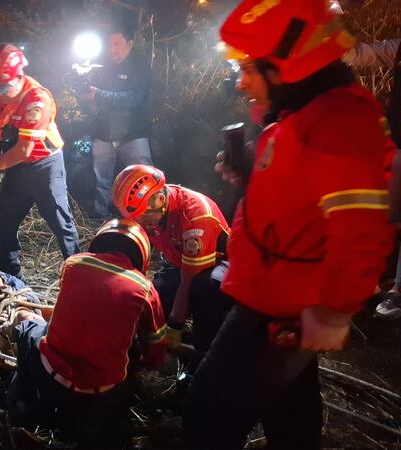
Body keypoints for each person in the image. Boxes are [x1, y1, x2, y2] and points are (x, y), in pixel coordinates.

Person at [185, 1, 396, 448]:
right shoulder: (304, 112)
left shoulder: (338, 122)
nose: (240, 82)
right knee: (290, 413)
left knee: (208, 409)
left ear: (286, 67)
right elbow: (298, 197)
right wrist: (247, 178)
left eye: (249, 69)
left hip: (279, 305)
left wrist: (333, 310)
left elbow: (361, 229)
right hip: (273, 294)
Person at [7, 218, 167, 448]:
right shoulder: (145, 289)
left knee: (27, 326)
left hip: (49, 378)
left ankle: (21, 398)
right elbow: (155, 352)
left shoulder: (74, 263)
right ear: (142, 254)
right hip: (100, 398)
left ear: (100, 241)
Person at [0, 44, 80, 278]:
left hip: (44, 165)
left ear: (19, 76)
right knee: (5, 220)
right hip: (17, 165)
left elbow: (25, 149)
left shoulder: (37, 100)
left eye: (4, 87)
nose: (0, 93)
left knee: (60, 222)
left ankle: (78, 272)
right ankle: (10, 277)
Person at [112, 164, 232, 371]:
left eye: (142, 216)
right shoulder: (154, 210)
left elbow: (189, 281)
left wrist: (175, 325)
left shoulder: (196, 216)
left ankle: (201, 360)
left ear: (159, 200)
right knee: (155, 299)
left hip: (218, 264)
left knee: (205, 290)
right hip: (178, 262)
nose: (140, 223)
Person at [342, 38, 401, 318]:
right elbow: (358, 54)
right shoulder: (398, 48)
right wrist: (331, 34)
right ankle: (368, 283)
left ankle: (397, 291)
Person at [85, 27, 153, 218]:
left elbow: (133, 98)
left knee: (144, 179)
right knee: (101, 181)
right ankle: (99, 221)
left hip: (133, 135)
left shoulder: (139, 66)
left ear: (130, 44)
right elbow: (91, 97)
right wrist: (87, 95)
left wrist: (99, 94)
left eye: (117, 44)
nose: (112, 49)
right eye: (109, 45)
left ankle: (149, 218)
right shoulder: (101, 66)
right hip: (103, 134)